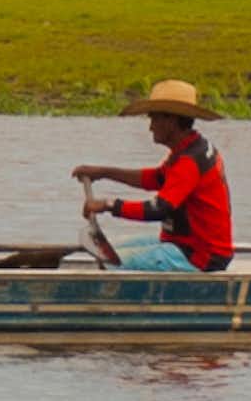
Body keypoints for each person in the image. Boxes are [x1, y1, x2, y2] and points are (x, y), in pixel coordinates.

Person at [73, 81, 233, 272]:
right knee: (106, 249)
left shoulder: (189, 161)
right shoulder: (188, 148)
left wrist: (108, 204)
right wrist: (103, 172)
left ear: (171, 122)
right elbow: (156, 179)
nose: (151, 127)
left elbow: (158, 209)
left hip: (199, 256)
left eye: (154, 120)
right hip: (185, 244)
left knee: (111, 263)